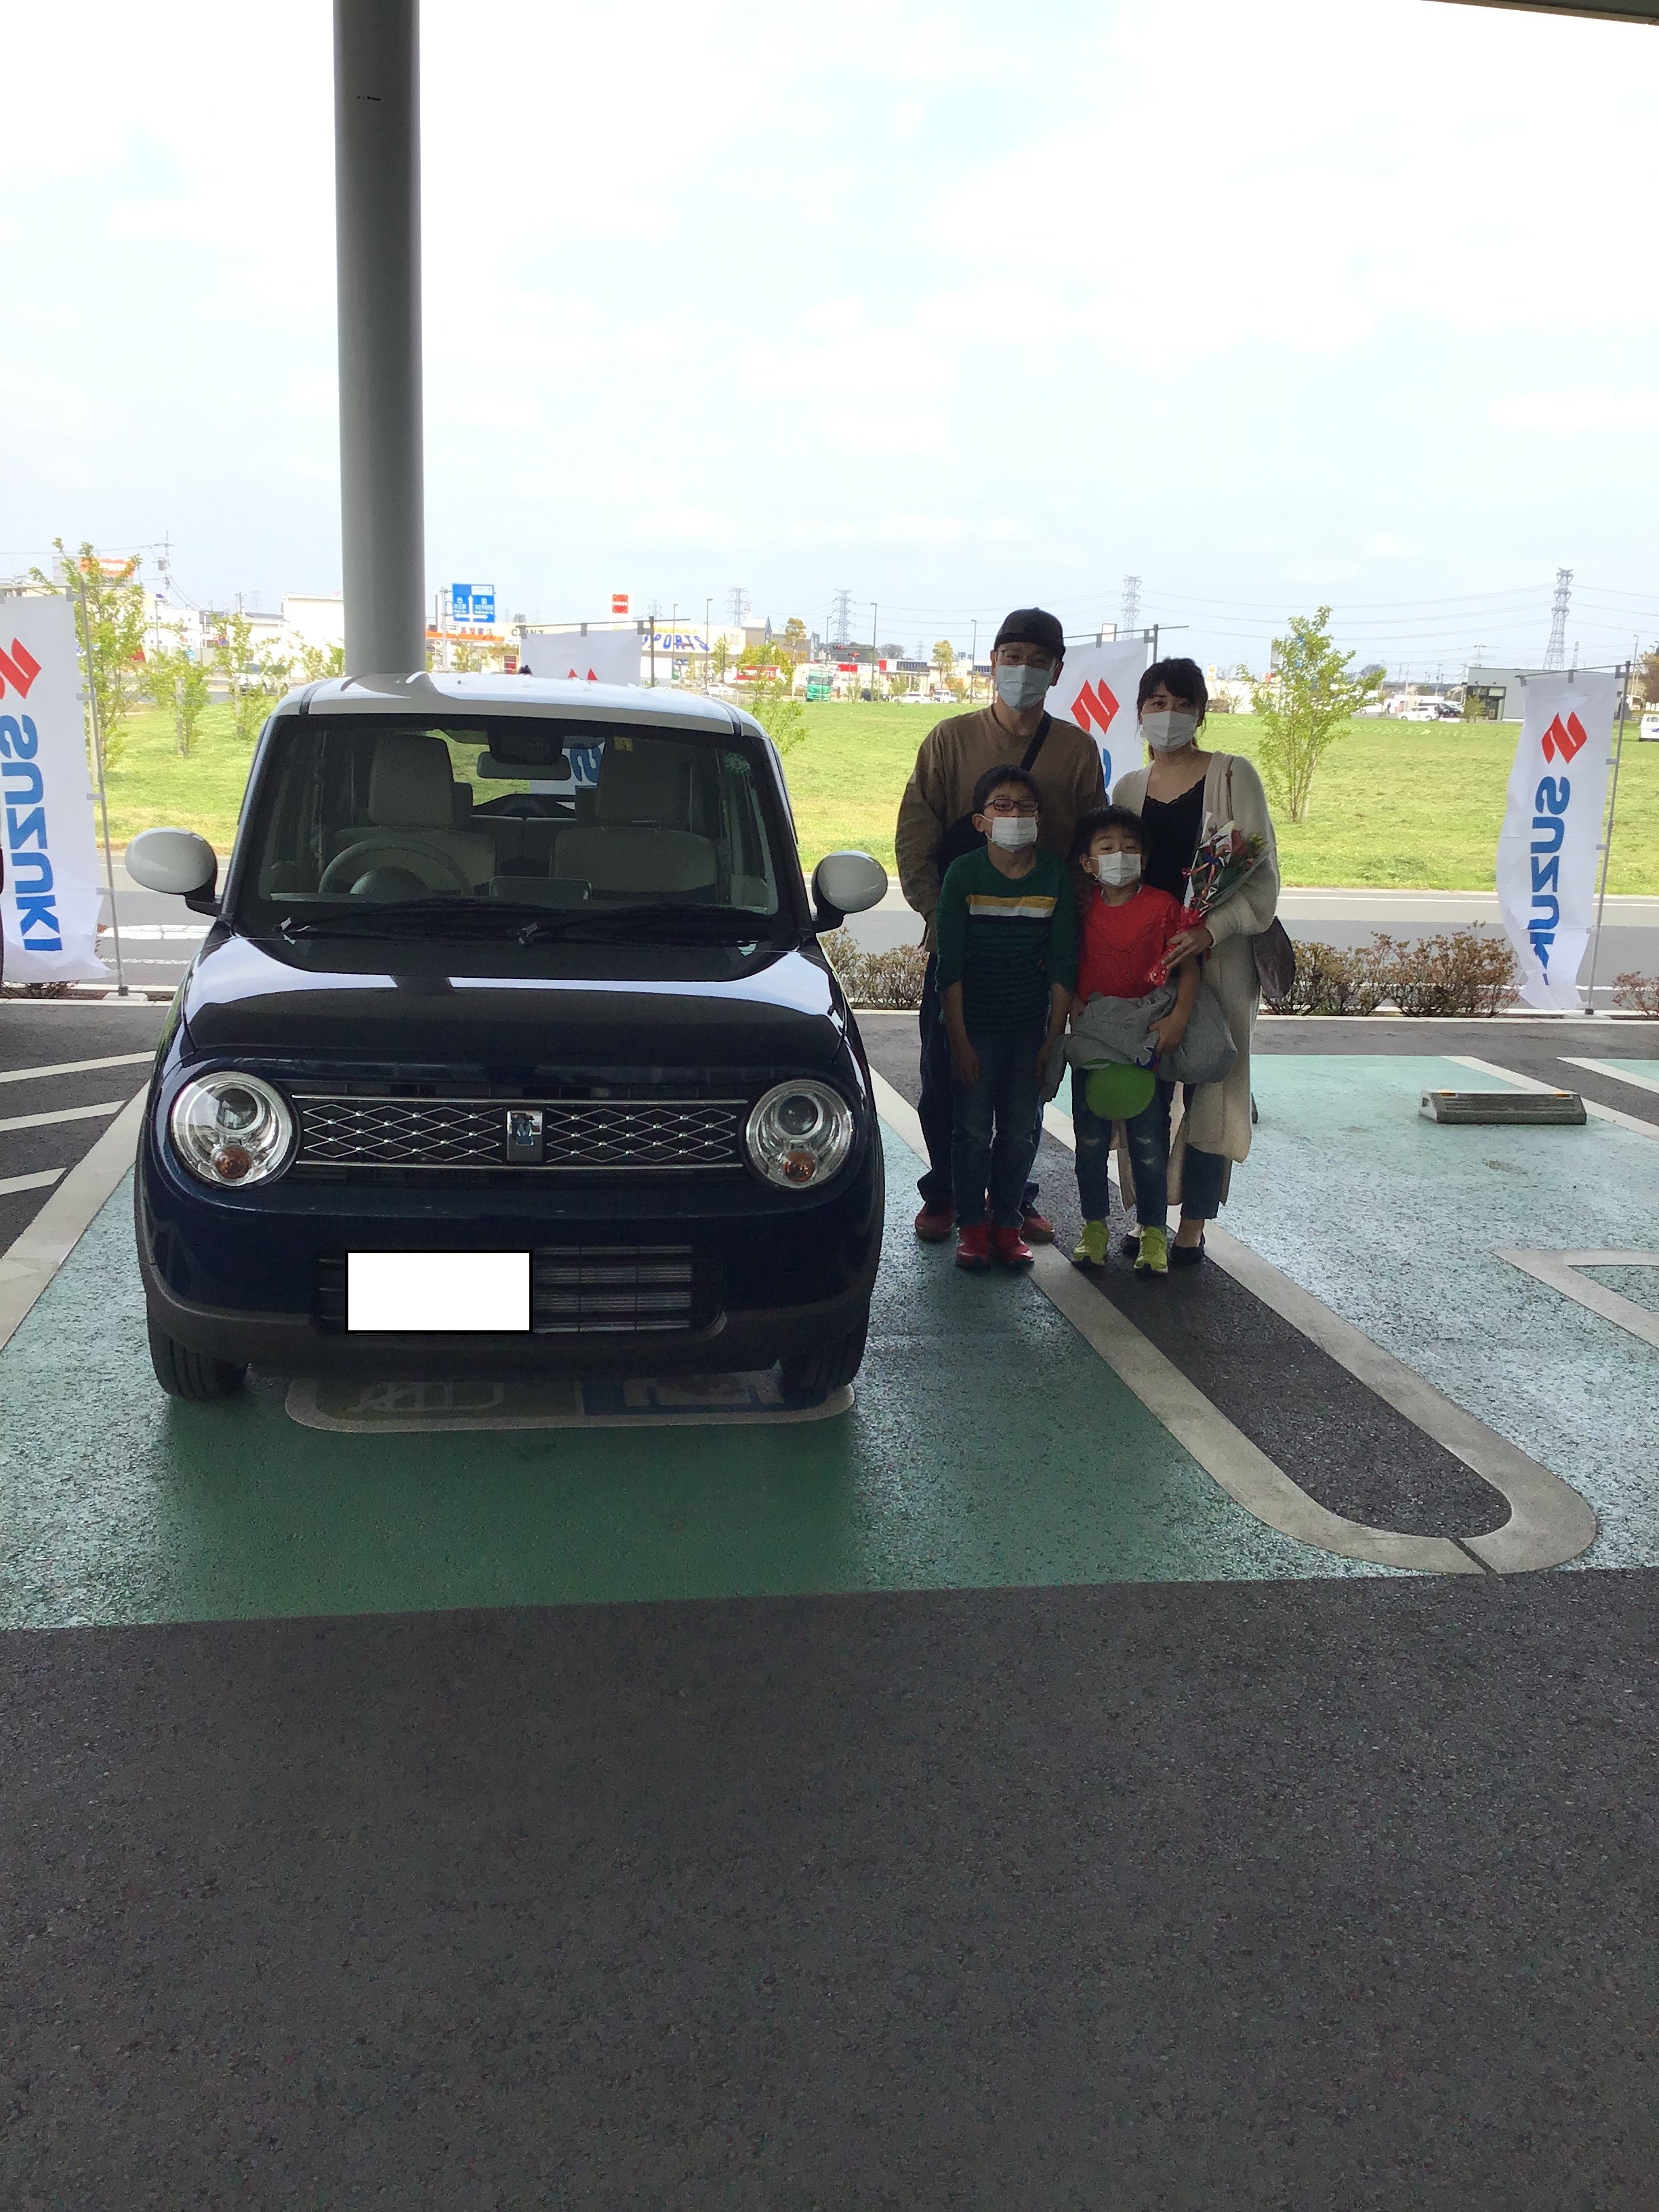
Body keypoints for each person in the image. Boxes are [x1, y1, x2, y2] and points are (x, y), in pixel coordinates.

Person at [895, 607, 1105, 1245]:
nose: (1023, 670)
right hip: (960, 943)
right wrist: (938, 917)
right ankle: (946, 1191)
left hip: (1032, 949)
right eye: (1012, 657)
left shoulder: (1075, 750)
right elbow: (916, 834)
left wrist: (1064, 930)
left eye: (1038, 661)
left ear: (1058, 672)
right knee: (945, 1076)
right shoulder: (949, 739)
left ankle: (1014, 1197)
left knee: (1023, 1083)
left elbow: (1088, 849)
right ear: (992, 662)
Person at [1111, 658, 1279, 1266]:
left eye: (1181, 703)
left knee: (1214, 1089)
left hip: (1220, 959)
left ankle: (1193, 1225)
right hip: (1148, 964)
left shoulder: (1234, 776)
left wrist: (1210, 930)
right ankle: (1149, 1218)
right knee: (1144, 1090)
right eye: (1155, 702)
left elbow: (1260, 876)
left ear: (1202, 713)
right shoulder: (1127, 789)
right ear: (1139, 713)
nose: (1168, 714)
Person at [934, 764, 1077, 1273]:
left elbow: (1063, 965)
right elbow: (949, 967)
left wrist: (1052, 1041)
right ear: (981, 822)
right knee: (972, 1131)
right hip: (975, 1027)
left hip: (1029, 1029)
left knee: (1021, 1131)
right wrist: (959, 1042)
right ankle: (972, 1227)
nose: (1014, 814)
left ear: (1039, 819)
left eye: (1026, 806)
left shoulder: (1055, 876)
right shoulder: (963, 875)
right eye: (1002, 805)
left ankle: (1007, 1226)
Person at [1067, 807, 1199, 1277]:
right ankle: (1094, 1229)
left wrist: (1178, 1018)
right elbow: (1066, 967)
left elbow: (1188, 968)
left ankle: (1154, 1233)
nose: (1119, 856)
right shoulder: (1080, 909)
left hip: (1147, 1038)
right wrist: (1073, 1009)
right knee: (1089, 1141)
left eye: (1129, 848)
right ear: (1087, 863)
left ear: (1144, 859)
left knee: (1148, 1140)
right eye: (1106, 848)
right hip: (1095, 1041)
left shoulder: (1163, 907)